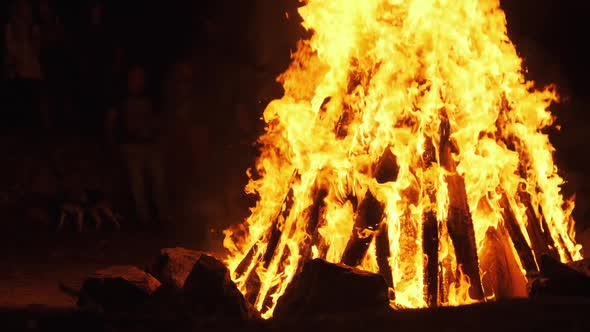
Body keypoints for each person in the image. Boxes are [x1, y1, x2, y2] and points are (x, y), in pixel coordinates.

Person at [105, 65, 166, 229]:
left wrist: (153, 131)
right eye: (135, 76)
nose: (138, 80)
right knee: (137, 184)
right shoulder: (120, 97)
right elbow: (111, 120)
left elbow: (159, 119)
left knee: (158, 181)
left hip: (151, 145)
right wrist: (112, 142)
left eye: (141, 76)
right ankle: (144, 220)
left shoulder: (151, 96)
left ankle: (163, 217)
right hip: (130, 147)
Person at [4, 0, 44, 129]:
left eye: (27, 7)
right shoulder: (11, 27)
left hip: (31, 69)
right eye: (23, 7)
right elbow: (11, 48)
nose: (25, 10)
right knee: (20, 103)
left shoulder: (33, 27)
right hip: (18, 70)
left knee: (31, 103)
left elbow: (37, 51)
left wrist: (33, 36)